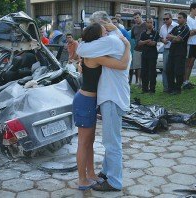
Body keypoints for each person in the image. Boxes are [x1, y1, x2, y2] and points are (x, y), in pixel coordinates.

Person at [77, 11, 131, 191]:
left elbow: (80, 49)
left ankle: (114, 181)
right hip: (112, 96)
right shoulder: (117, 38)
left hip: (112, 97)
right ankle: (107, 172)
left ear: (103, 25)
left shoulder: (111, 41)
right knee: (109, 139)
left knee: (111, 141)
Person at [166, 12, 190, 94]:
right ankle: (170, 88)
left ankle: (178, 89)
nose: (178, 19)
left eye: (180, 17)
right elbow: (168, 36)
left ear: (185, 19)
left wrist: (174, 38)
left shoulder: (186, 28)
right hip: (172, 51)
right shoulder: (176, 28)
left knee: (178, 71)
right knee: (169, 70)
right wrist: (175, 37)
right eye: (178, 17)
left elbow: (179, 39)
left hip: (180, 53)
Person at [184, 2, 196, 89]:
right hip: (188, 44)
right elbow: (188, 33)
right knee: (187, 63)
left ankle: (187, 81)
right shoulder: (187, 19)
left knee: (191, 64)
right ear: (192, 9)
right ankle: (183, 82)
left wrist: (194, 31)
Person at [139, 18, 160, 93]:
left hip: (152, 55)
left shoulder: (156, 32)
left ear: (153, 23)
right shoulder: (143, 33)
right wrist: (147, 41)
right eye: (148, 22)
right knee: (144, 72)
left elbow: (153, 43)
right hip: (144, 54)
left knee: (152, 72)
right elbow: (139, 43)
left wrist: (144, 42)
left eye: (151, 22)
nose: (149, 24)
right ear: (146, 23)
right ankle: (144, 89)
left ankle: (152, 89)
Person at [159, 13, 178, 92]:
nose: (165, 20)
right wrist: (162, 40)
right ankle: (166, 88)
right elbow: (160, 37)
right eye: (164, 19)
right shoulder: (162, 27)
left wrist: (172, 39)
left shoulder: (176, 26)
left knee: (174, 69)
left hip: (175, 49)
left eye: (167, 19)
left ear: (171, 18)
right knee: (165, 69)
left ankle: (174, 87)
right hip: (166, 49)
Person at [131, 11, 147, 86]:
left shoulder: (146, 25)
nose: (136, 19)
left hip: (146, 49)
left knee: (146, 66)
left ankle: (146, 82)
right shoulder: (134, 27)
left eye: (137, 17)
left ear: (141, 17)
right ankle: (139, 82)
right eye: (135, 18)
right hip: (137, 49)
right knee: (137, 67)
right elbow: (133, 37)